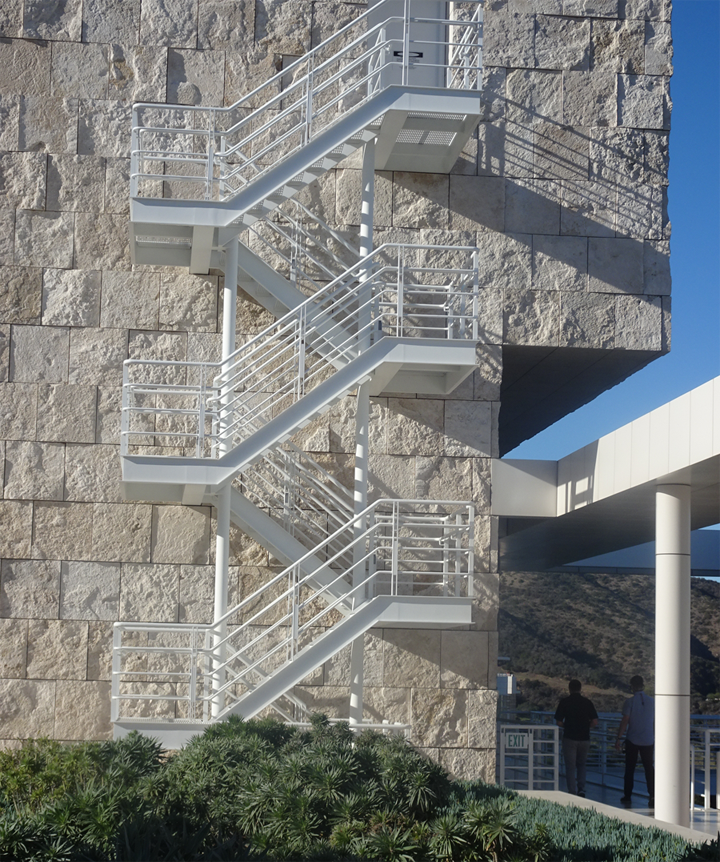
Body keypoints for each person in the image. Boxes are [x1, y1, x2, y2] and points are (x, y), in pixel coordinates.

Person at [615, 675, 654, 808]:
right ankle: (652, 795)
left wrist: (618, 738)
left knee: (630, 769)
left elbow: (625, 720)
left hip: (632, 739)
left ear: (632, 686)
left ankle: (627, 796)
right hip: (648, 740)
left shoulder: (630, 702)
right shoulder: (652, 701)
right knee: (649, 768)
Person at [555, 679, 599, 797]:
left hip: (570, 737)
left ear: (569, 689)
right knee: (581, 764)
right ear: (580, 689)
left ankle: (572, 791)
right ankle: (581, 789)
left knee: (570, 766)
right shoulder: (587, 702)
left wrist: (567, 726)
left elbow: (559, 722)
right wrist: (586, 726)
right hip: (584, 738)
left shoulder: (565, 702)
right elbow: (595, 721)